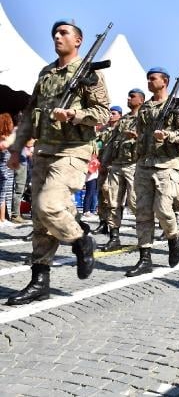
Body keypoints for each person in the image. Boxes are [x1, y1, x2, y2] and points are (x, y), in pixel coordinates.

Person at [6, 19, 110, 305]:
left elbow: (102, 113)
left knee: (48, 206)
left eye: (64, 32)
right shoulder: (47, 72)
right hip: (44, 149)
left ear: (78, 40)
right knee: (40, 221)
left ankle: (80, 240)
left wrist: (74, 115)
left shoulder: (89, 74)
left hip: (73, 150)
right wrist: (17, 148)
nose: (57, 36)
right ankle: (40, 280)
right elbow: (30, 113)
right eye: (55, 32)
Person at [125, 67, 179, 277]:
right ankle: (145, 257)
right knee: (142, 211)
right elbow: (142, 133)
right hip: (144, 164)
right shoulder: (145, 108)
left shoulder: (176, 106)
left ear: (165, 81)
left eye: (153, 78)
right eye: (147, 78)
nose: (149, 81)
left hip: (167, 164)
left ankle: (173, 237)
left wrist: (167, 135)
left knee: (163, 209)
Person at [99, 88, 144, 251]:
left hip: (134, 165)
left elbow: (152, 142)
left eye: (132, 96)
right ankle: (114, 237)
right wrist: (104, 163)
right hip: (117, 164)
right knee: (113, 202)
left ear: (141, 100)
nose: (129, 98)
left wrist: (138, 137)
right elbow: (111, 142)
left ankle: (143, 236)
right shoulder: (123, 119)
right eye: (128, 95)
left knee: (134, 202)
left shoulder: (145, 119)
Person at [93, 105, 123, 235]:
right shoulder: (104, 129)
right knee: (101, 194)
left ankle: (113, 225)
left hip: (114, 166)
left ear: (120, 115)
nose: (111, 115)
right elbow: (95, 142)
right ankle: (103, 222)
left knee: (111, 195)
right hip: (102, 165)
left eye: (114, 113)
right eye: (110, 112)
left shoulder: (121, 129)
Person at [0, 113, 15, 225]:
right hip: (4, 167)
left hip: (7, 167)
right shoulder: (4, 138)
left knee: (5, 192)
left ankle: (3, 218)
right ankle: (1, 219)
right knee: (2, 192)